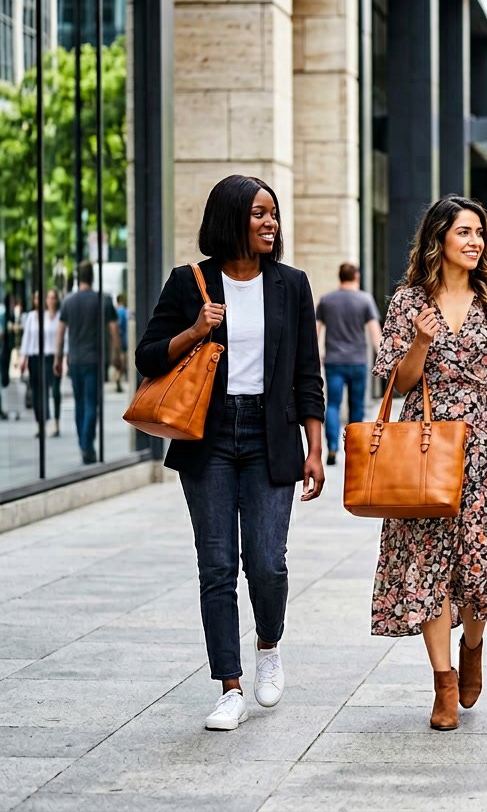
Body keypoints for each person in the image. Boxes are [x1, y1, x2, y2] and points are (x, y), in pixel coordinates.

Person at [135, 174, 326, 731]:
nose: (271, 223)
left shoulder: (291, 284)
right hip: (209, 439)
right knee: (216, 566)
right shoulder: (189, 282)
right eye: (260, 213)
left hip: (271, 433)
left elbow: (305, 372)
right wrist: (194, 329)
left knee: (266, 563)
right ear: (230, 218)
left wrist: (315, 448)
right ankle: (229, 685)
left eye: (275, 214)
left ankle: (268, 646)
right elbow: (150, 357)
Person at [371, 195, 487, 732]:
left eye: (480, 234)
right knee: (429, 565)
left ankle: (473, 643)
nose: (475, 242)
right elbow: (399, 382)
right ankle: (443, 682)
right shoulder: (408, 301)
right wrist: (418, 341)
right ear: (439, 237)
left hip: (485, 441)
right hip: (426, 442)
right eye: (464, 232)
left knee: (478, 562)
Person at [316, 263, 383, 466]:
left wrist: (315, 355)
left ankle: (333, 447)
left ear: (340, 277)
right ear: (356, 276)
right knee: (357, 407)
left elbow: (315, 331)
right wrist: (384, 359)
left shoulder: (327, 300)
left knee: (334, 405)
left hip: (334, 361)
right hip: (357, 362)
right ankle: (355, 451)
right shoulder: (365, 299)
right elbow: (375, 334)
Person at [55, 261, 121, 464]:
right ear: (92, 277)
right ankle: (86, 444)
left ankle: (84, 444)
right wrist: (117, 355)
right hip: (94, 360)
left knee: (80, 404)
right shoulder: (103, 300)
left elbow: (60, 332)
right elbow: (114, 331)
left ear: (78, 277)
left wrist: (58, 357)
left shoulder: (68, 301)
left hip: (75, 360)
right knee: (91, 403)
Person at [20, 289, 62, 437]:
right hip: (34, 357)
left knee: (50, 391)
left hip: (50, 357)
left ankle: (51, 421)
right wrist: (23, 358)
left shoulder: (49, 316)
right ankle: (40, 423)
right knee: (37, 391)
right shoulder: (32, 316)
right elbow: (27, 338)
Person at [115, 292, 129, 392]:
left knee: (119, 363)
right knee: (123, 363)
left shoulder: (115, 311)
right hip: (123, 341)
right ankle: (118, 379)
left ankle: (117, 380)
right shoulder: (124, 311)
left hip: (117, 341)